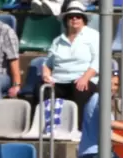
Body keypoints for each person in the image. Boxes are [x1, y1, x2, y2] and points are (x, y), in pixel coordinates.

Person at [38, 0, 100, 128]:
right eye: (71, 16)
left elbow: (97, 61)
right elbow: (47, 63)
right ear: (66, 20)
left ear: (84, 19)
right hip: (59, 80)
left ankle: (79, 129)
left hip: (82, 78)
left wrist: (85, 78)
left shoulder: (94, 36)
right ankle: (47, 127)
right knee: (42, 88)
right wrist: (46, 75)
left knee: (80, 89)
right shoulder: (58, 40)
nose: (74, 19)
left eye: (78, 16)